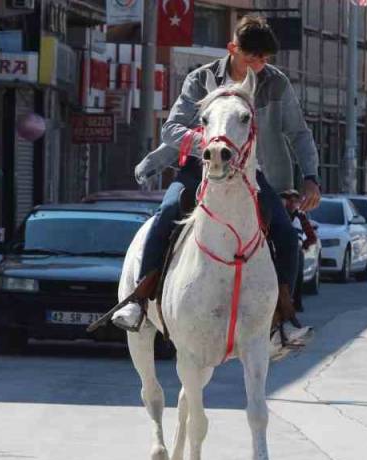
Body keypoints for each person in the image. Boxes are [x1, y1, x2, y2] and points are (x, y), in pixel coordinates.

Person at [113, 14, 319, 332]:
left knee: (286, 235)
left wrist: (311, 177)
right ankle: (138, 300)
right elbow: (171, 129)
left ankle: (283, 317)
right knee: (167, 212)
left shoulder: (276, 83)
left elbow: (299, 133)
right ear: (232, 48)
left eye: (264, 59)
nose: (259, 66)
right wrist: (213, 145)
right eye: (252, 58)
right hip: (202, 168)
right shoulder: (200, 79)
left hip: (250, 175)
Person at [282, 188, 317, 312]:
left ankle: (296, 303)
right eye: (289, 201)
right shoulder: (280, 215)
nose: (292, 204)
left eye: (294, 201)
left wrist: (303, 246)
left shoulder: (301, 217)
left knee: (297, 277)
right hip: (281, 251)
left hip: (297, 251)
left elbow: (312, 237)